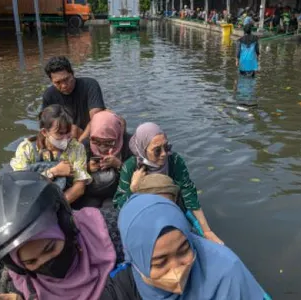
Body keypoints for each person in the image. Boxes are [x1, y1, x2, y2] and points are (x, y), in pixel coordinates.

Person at [0, 171, 117, 300]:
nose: (47, 264)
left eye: (49, 248)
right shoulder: (21, 288)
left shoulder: (113, 232)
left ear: (66, 226)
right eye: (31, 262)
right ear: (18, 267)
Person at [100, 194, 271, 300]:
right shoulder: (121, 286)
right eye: (160, 262)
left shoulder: (227, 272)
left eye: (183, 251)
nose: (177, 272)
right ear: (135, 260)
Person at [113, 122, 223, 244]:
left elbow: (188, 193)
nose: (164, 154)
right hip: (144, 213)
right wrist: (133, 188)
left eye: (166, 147)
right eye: (157, 151)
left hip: (172, 207)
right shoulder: (131, 167)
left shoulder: (174, 160)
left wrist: (206, 230)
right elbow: (119, 205)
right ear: (143, 149)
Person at [10, 104, 92, 205]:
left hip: (62, 202)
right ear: (45, 132)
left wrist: (55, 205)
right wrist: (53, 172)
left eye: (68, 132)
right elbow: (21, 184)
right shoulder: (27, 148)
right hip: (31, 202)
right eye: (60, 133)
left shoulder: (77, 148)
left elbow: (79, 188)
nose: (66, 138)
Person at [71, 110, 133, 209]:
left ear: (117, 136)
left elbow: (138, 176)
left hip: (117, 192)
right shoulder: (84, 146)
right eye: (97, 142)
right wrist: (87, 168)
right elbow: (70, 174)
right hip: (91, 192)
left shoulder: (129, 144)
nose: (102, 148)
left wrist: (119, 165)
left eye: (109, 142)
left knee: (111, 207)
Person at [42, 56, 105, 142]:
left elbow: (96, 119)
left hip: (90, 132)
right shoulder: (49, 95)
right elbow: (46, 125)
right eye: (58, 82)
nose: (64, 85)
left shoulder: (90, 85)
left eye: (66, 79)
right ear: (51, 81)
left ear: (72, 74)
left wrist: (81, 142)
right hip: (65, 134)